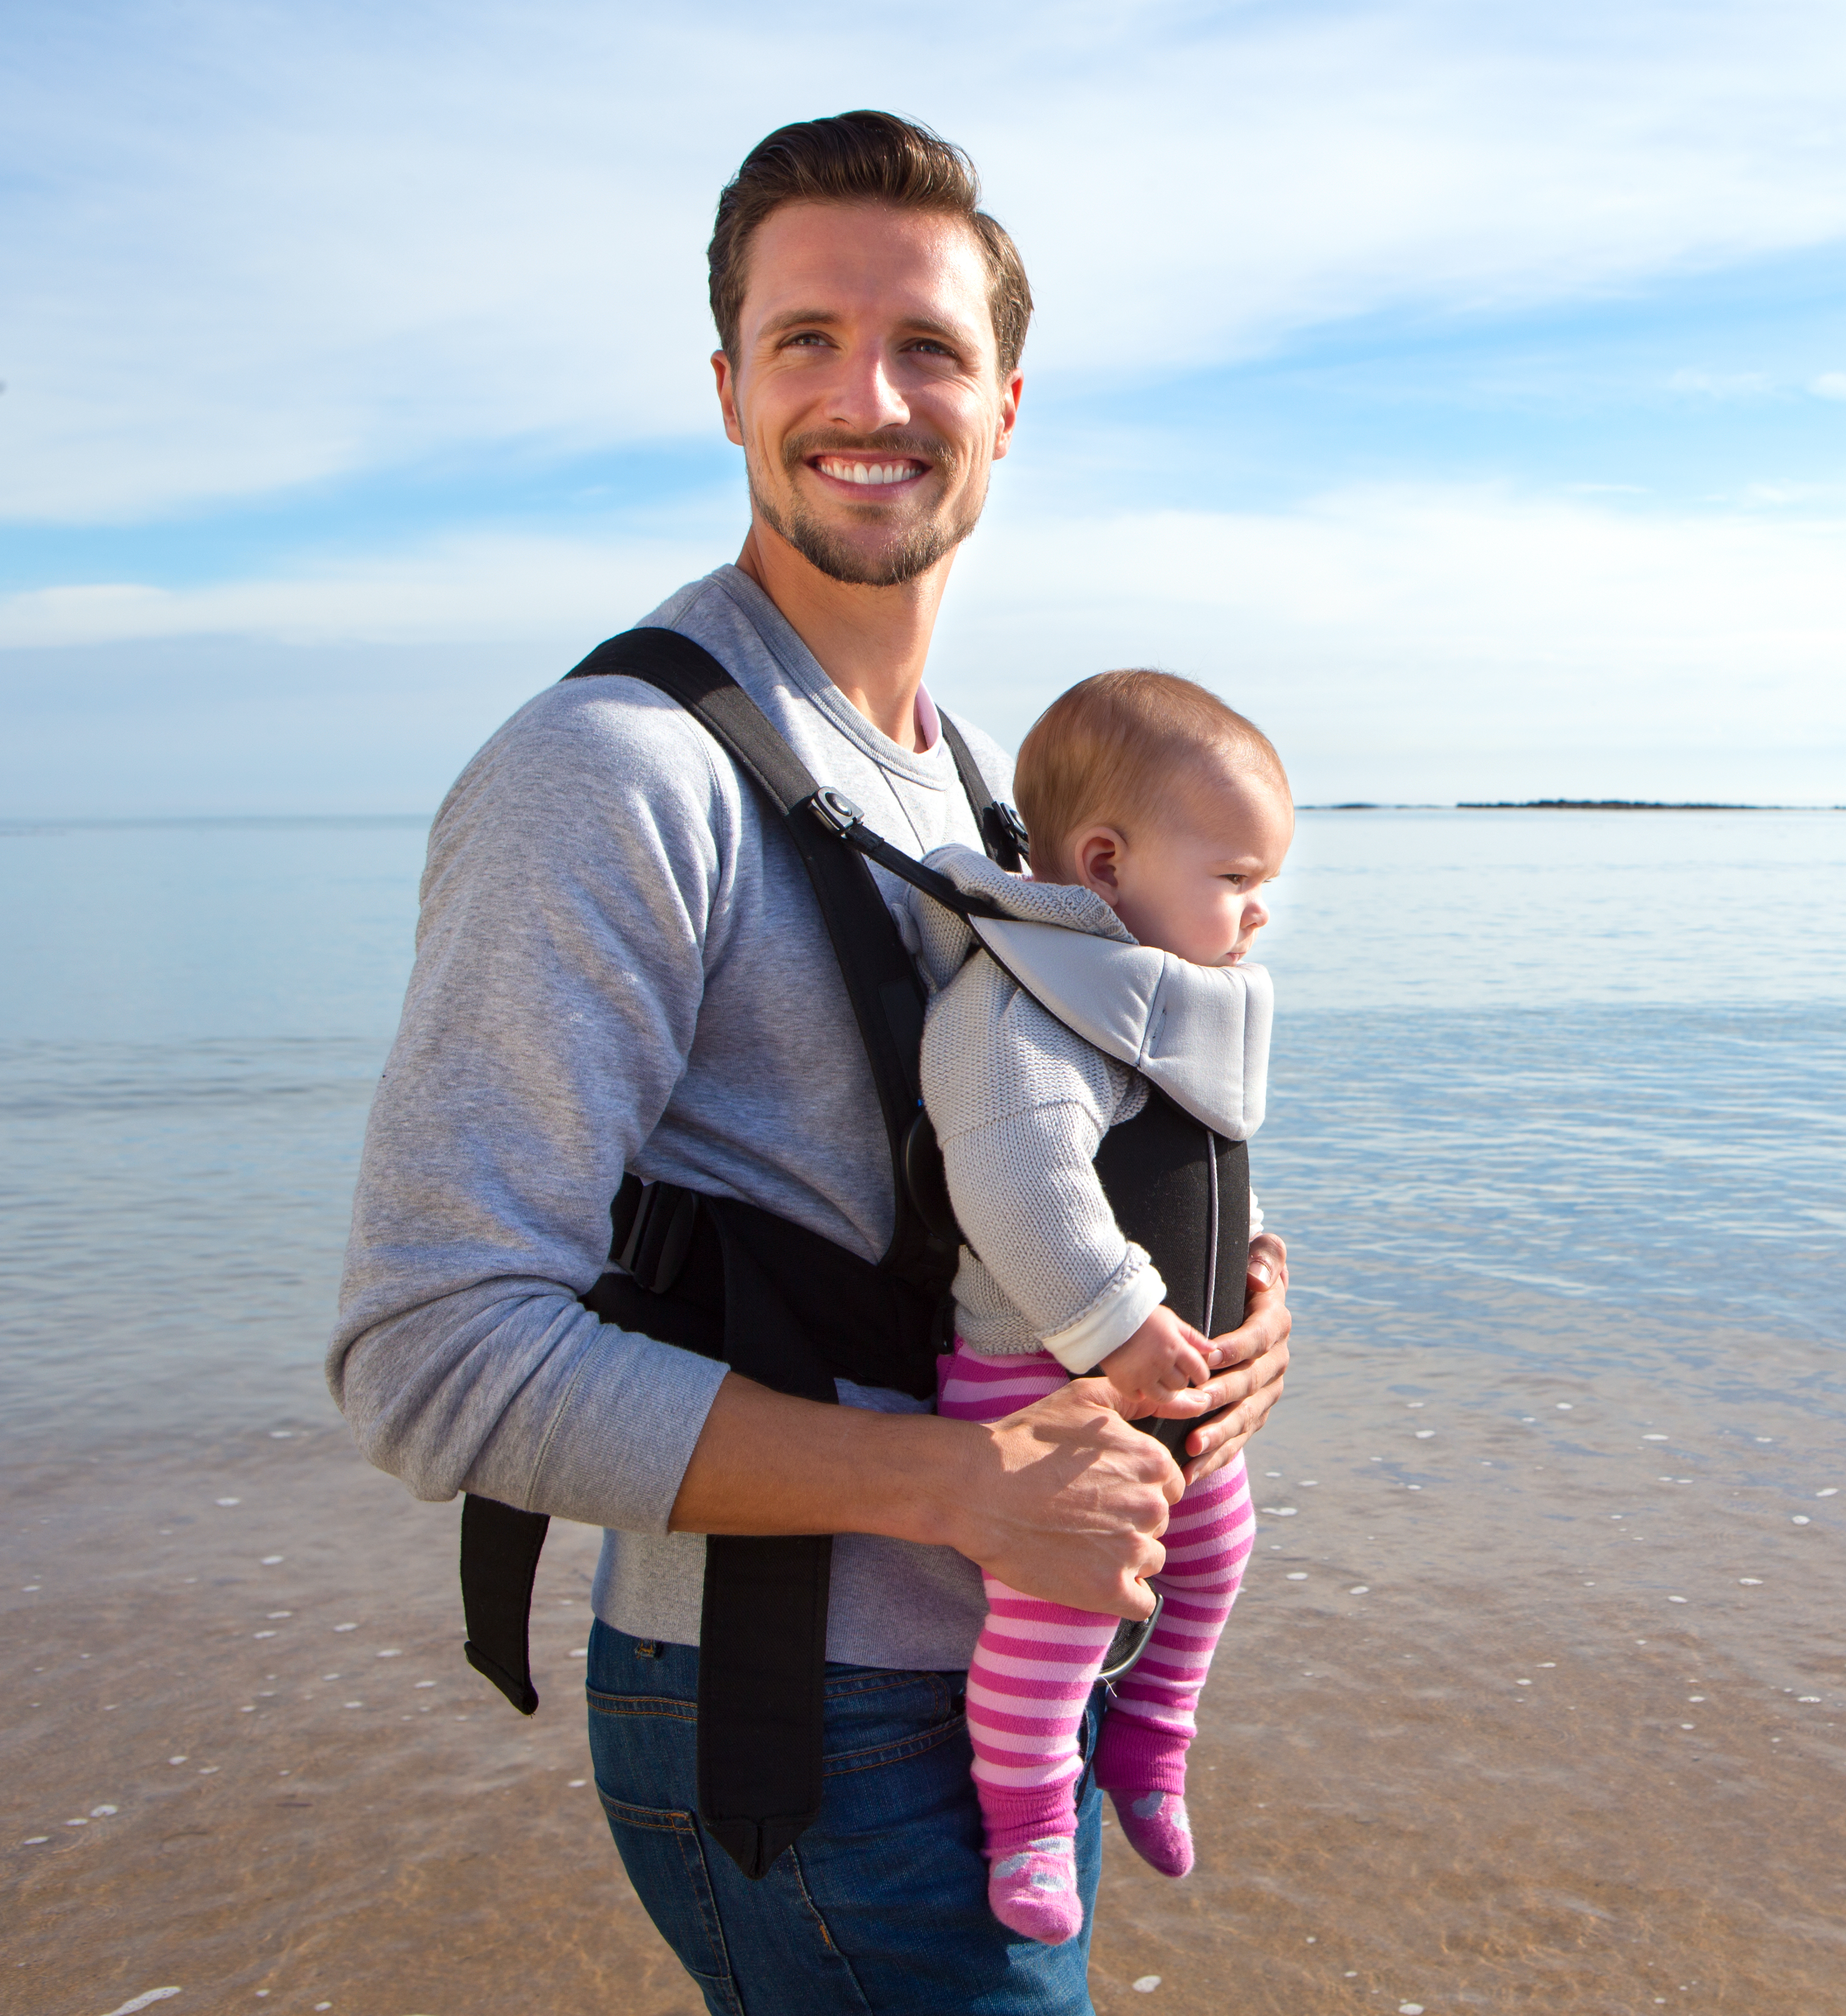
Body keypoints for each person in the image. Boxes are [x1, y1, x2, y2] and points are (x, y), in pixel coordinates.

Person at [327, 111, 1291, 2016]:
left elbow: (1034, 1158)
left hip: (996, 1677)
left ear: (1005, 405)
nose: (872, 393)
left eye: (928, 344)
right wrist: (951, 1484)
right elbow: (427, 1355)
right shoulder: (612, 778)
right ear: (726, 386)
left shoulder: (995, 790)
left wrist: (1227, 1318)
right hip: (812, 1716)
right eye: (807, 339)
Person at [914, 671, 1288, 1942]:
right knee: (1064, 1602)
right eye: (1235, 878)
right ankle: (1024, 1820)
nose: (1259, 912)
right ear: (1109, 861)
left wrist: (1249, 1271)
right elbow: (1017, 1174)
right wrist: (1121, 1319)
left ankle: (1150, 1746)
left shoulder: (1135, 989)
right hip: (1047, 1381)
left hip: (1160, 1377)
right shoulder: (1022, 1002)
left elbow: (1175, 1165)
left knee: (1217, 1548)